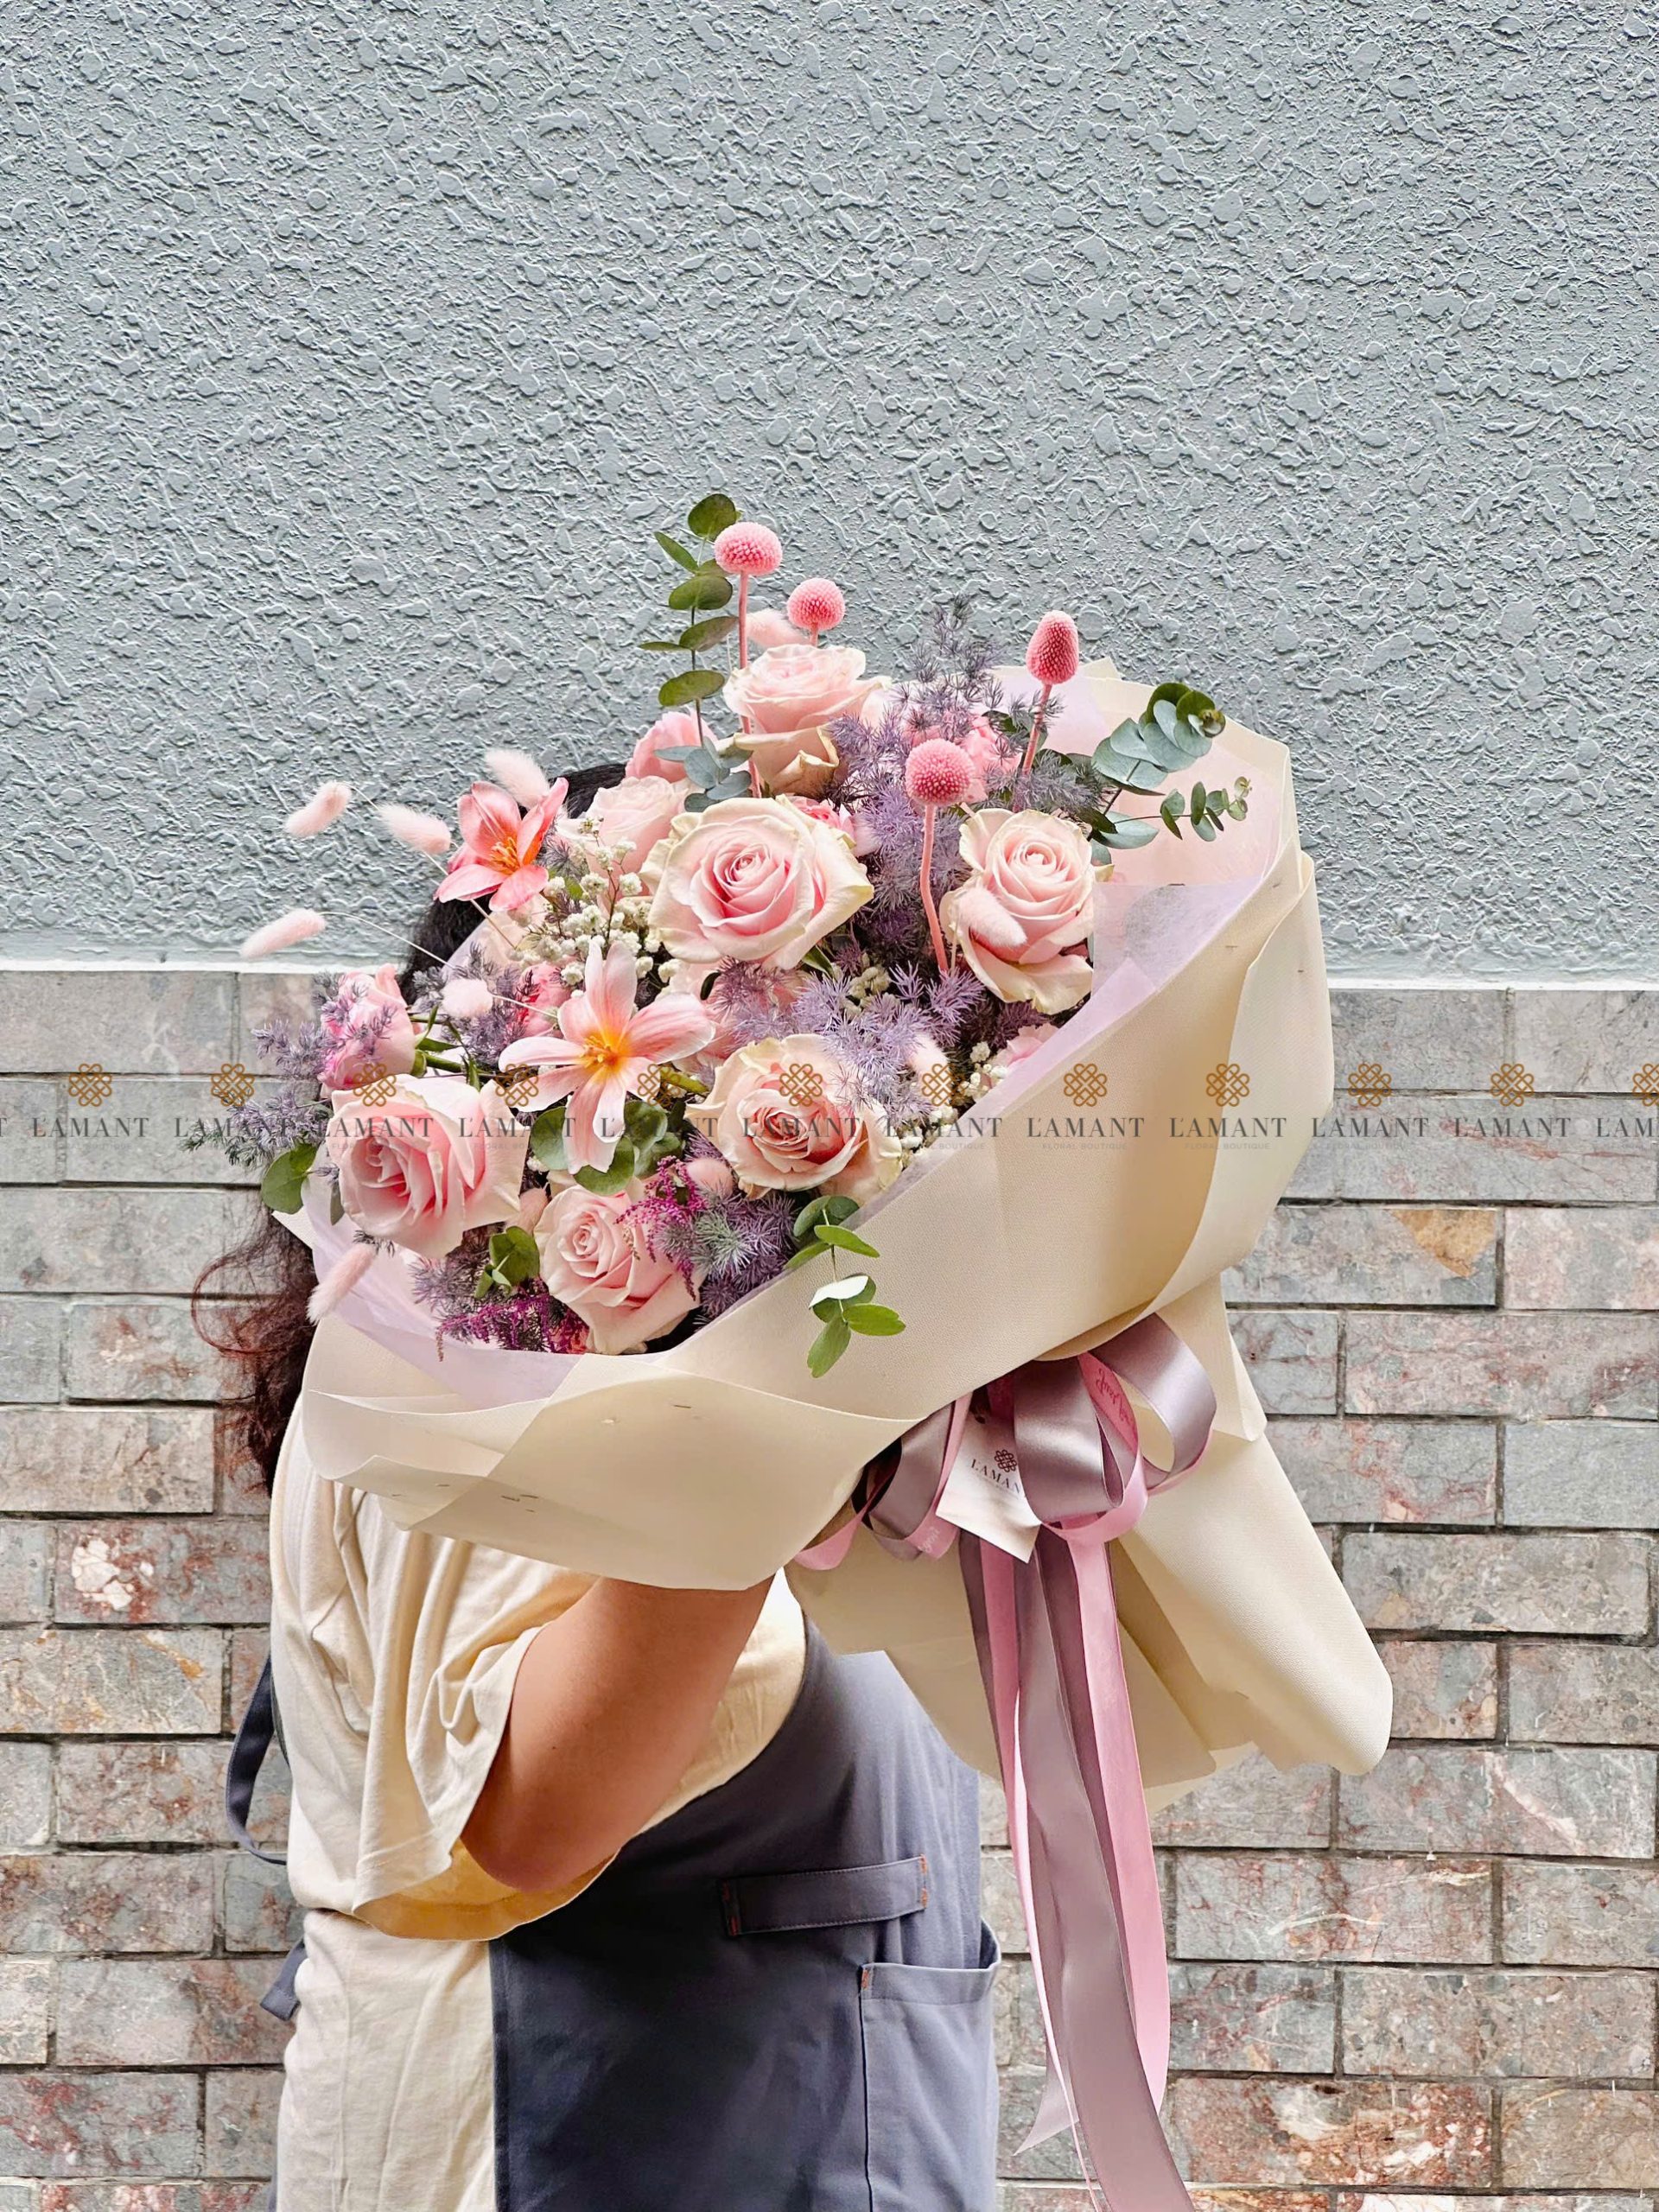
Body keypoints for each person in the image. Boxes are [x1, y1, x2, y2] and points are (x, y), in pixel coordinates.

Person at [200, 761, 1000, 2212]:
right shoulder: (492, 1371)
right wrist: (761, 1419)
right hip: (559, 2149)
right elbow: (529, 1813)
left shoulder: (697, 1376)